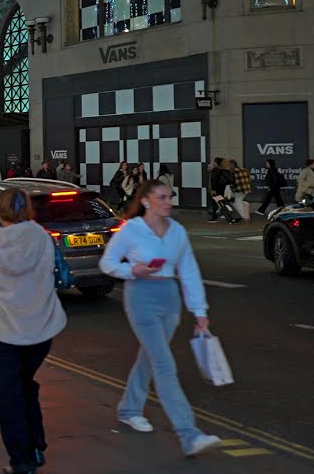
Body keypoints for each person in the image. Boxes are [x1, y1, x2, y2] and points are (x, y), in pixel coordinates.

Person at [99, 180, 222, 458]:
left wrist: (200, 312)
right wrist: (133, 270)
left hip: (169, 296)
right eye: (163, 197)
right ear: (145, 201)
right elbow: (107, 263)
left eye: (171, 197)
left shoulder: (177, 231)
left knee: (151, 357)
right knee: (164, 364)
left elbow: (188, 271)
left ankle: (129, 409)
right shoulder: (131, 230)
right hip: (140, 296)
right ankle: (189, 434)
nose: (169, 202)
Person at [0, 188, 67, 474]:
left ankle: (22, 460)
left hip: (3, 331)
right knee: (26, 384)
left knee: (9, 395)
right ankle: (36, 446)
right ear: (28, 209)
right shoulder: (41, 237)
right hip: (41, 329)